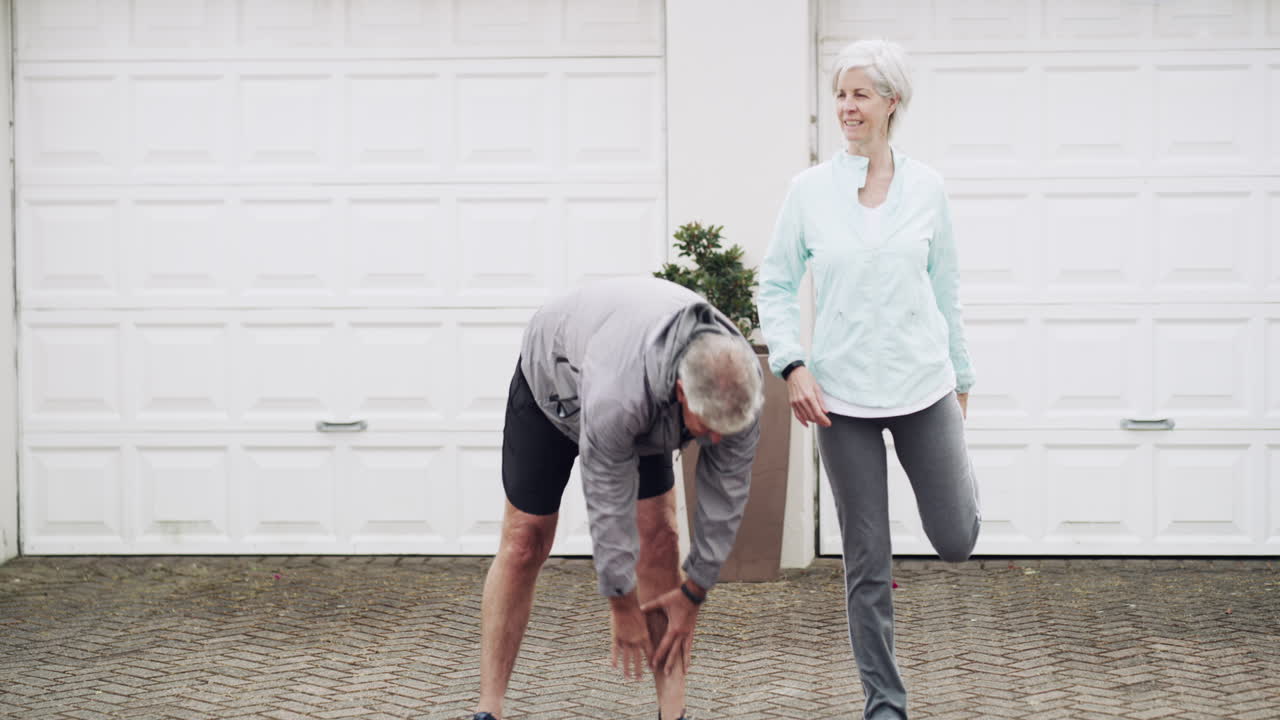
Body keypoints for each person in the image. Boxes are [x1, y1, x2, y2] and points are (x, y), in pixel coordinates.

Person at [757, 39, 982, 720]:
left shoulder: (928, 189)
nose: (848, 107)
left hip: (923, 386)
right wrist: (792, 364)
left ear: (892, 101)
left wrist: (962, 378)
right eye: (841, 95)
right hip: (841, 399)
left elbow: (947, 289)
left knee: (956, 539)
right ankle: (884, 703)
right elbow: (775, 283)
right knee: (867, 559)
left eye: (861, 94)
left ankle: (959, 491)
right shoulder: (809, 192)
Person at [472, 276, 764, 720]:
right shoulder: (620, 394)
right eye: (707, 425)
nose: (716, 438)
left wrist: (694, 591)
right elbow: (606, 497)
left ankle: (673, 713)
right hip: (554, 384)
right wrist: (620, 601)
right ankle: (488, 708)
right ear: (684, 392)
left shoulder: (738, 386)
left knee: (660, 536)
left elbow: (726, 497)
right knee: (525, 540)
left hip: (644, 386)